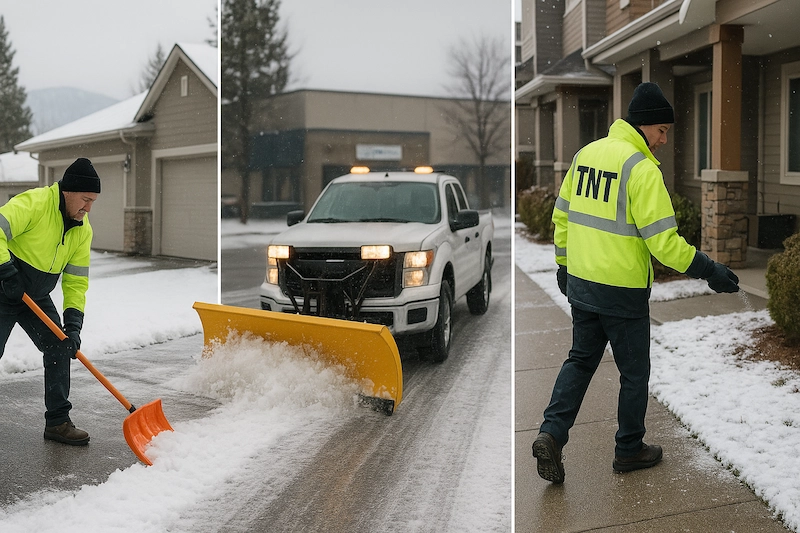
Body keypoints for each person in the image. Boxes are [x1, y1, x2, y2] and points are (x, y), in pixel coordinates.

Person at [532, 82, 740, 484]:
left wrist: (564, 266)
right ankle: (629, 449)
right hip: (623, 293)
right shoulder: (641, 170)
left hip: (583, 285)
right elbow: (664, 245)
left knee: (580, 361)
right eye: (662, 130)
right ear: (643, 126)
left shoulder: (585, 155)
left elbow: (562, 218)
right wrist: (708, 269)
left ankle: (551, 433)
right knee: (634, 374)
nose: (663, 140)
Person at [0, 158, 100, 446]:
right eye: (85, 199)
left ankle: (58, 422)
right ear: (68, 191)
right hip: (4, 287)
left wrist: (73, 325)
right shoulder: (35, 203)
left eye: (93, 201)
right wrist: (6, 271)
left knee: (59, 344)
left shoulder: (82, 229)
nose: (88, 208)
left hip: (36, 296)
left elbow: (76, 280)